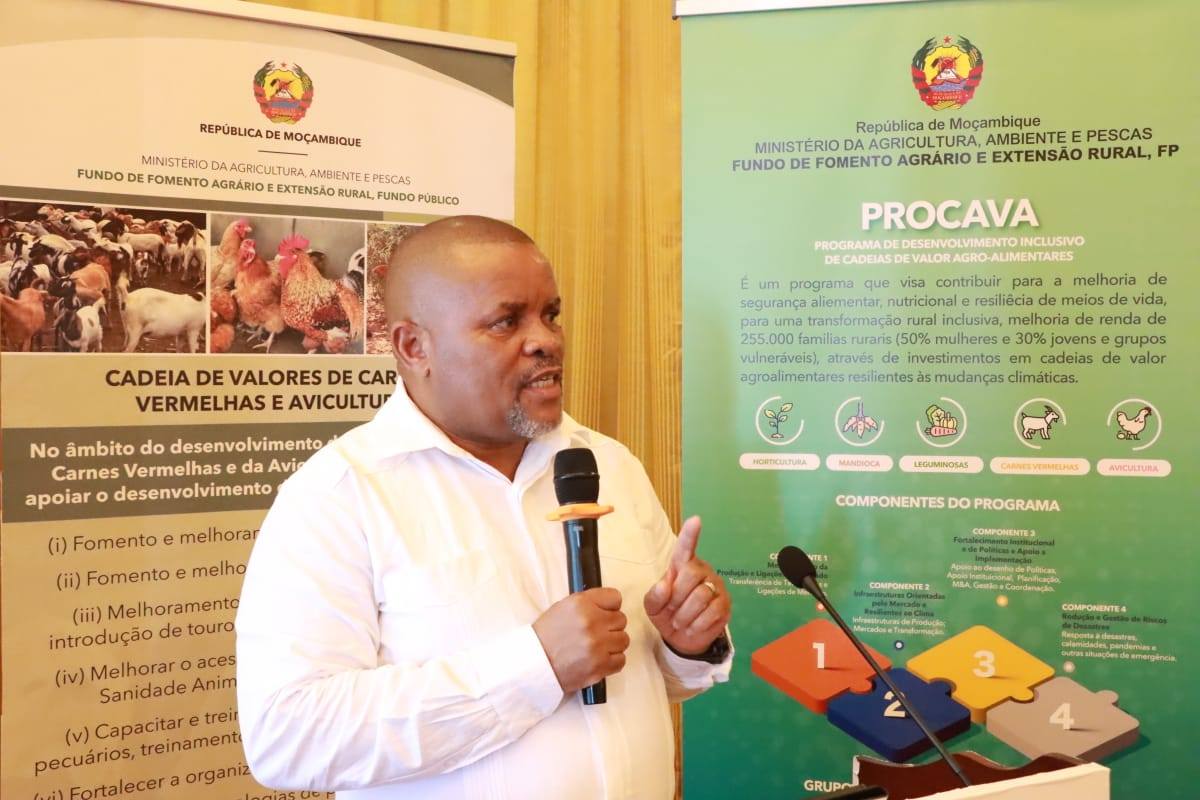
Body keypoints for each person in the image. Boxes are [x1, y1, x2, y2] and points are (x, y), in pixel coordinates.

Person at [235, 216, 732, 799]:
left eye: (551, 314)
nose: (546, 340)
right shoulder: (339, 496)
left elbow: (659, 683)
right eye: (506, 321)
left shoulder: (607, 463)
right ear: (414, 347)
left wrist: (685, 643)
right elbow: (288, 737)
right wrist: (536, 667)